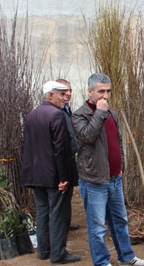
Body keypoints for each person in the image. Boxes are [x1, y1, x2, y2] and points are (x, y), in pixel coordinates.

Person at [71, 73, 144, 266]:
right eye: (101, 91)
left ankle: (126, 256)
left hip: (114, 178)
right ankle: (101, 263)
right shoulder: (80, 115)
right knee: (97, 225)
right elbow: (87, 137)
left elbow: (117, 140)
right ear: (90, 92)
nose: (105, 95)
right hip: (94, 179)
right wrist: (99, 113)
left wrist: (120, 164)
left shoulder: (111, 112)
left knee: (120, 220)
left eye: (108, 91)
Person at [21, 81, 80, 265]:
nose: (65, 97)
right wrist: (63, 178)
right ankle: (58, 253)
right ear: (50, 95)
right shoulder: (56, 115)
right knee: (58, 213)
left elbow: (28, 147)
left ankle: (43, 250)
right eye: (61, 94)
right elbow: (60, 150)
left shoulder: (32, 115)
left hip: (36, 174)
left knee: (42, 211)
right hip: (54, 175)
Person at [56, 79, 79, 231]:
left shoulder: (67, 109)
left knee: (68, 192)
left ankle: (65, 222)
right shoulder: (56, 112)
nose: (68, 94)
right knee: (61, 194)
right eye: (64, 92)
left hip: (70, 156)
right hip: (62, 157)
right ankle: (60, 227)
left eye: (70, 91)